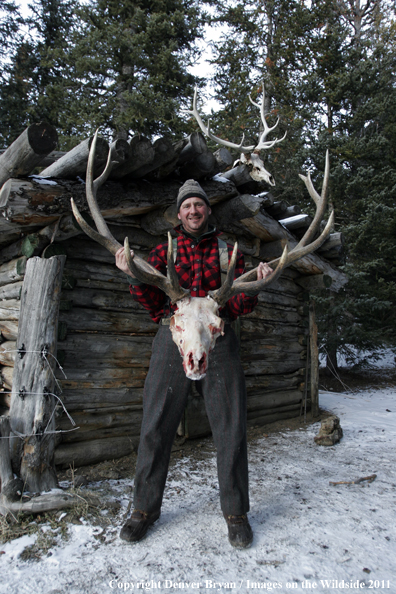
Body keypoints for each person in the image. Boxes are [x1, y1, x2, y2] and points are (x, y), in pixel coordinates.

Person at [115, 179, 272, 548]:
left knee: (231, 427)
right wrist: (130, 274)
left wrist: (257, 287)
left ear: (208, 210)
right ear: (179, 212)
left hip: (218, 341)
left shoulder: (228, 253)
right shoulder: (161, 252)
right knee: (156, 424)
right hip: (174, 341)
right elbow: (154, 305)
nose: (193, 211)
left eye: (199, 205)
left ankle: (236, 514)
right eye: (187, 206)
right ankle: (144, 509)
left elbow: (235, 307)